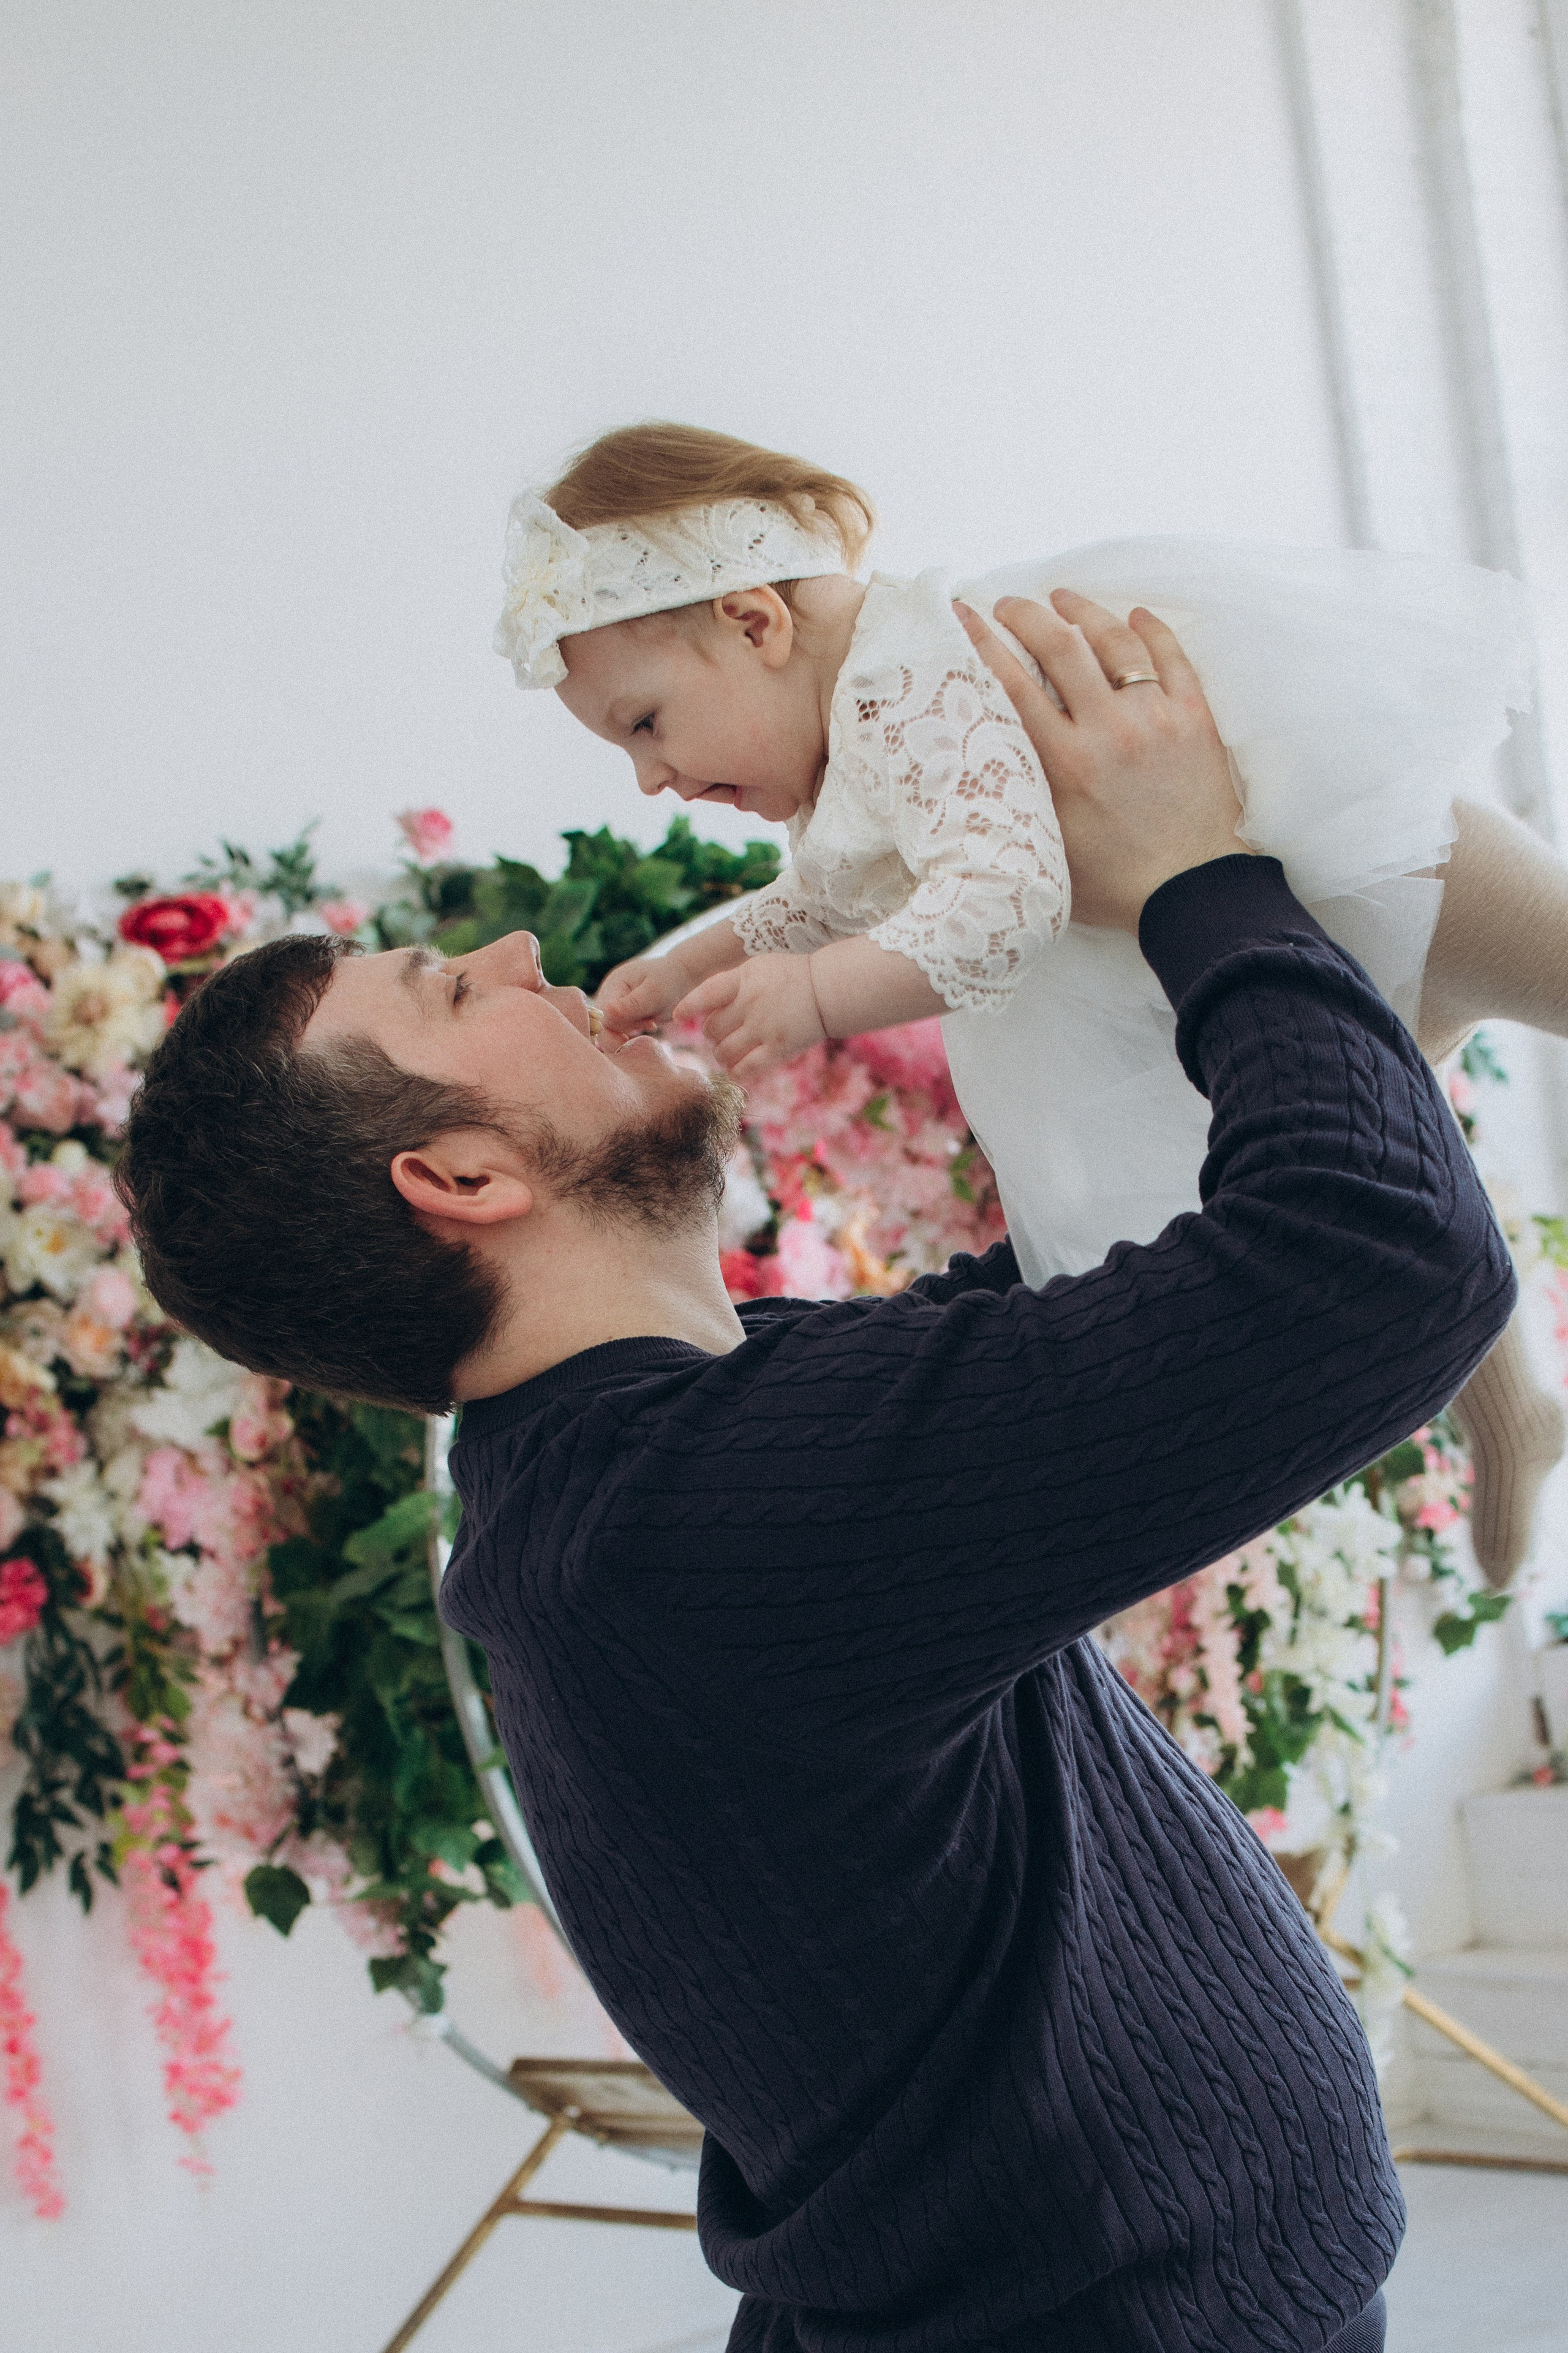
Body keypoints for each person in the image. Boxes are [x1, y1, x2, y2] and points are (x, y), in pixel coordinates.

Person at [118, 589, 1512, 2352]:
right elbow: (1383, 1269)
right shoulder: (696, 1521)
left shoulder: (681, 1443)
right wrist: (1196, 879)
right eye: (460, 991)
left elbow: (1140, 1262)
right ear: (462, 1177)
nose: (535, 958)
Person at [494, 421, 1568, 1584]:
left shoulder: (905, 685)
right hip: (1261, 931)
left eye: (645, 723)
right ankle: (1512, 1414)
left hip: (1366, 870)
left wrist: (814, 996)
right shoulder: (847, 743)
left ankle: (1509, 1406)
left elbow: (1005, 896)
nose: (651, 778)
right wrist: (685, 965)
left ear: (755, 622)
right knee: (1386, 1147)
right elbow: (820, 894)